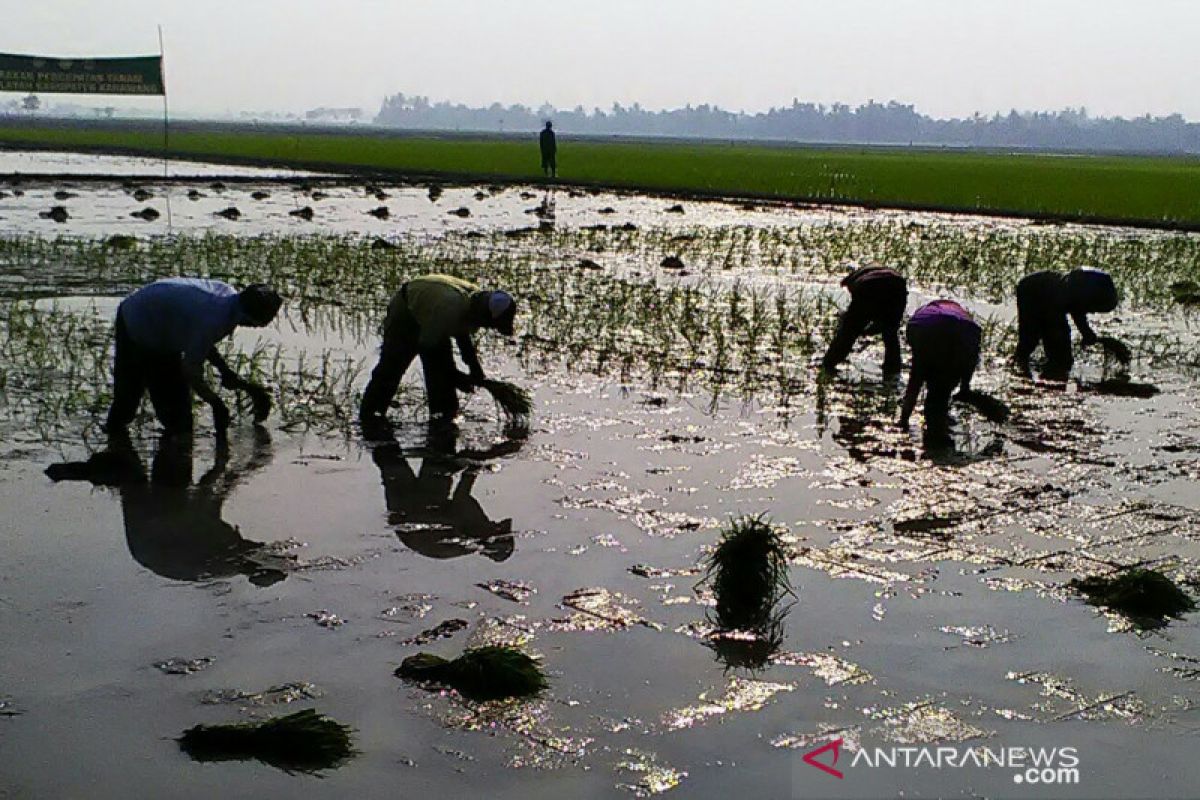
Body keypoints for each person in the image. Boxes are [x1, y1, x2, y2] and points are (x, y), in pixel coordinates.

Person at [104, 278, 282, 436]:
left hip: (161, 318)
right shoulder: (215, 317)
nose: (258, 328)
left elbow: (200, 340)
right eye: (260, 323)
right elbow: (191, 369)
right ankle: (113, 455)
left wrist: (225, 371)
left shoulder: (229, 300)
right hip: (140, 320)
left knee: (174, 415)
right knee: (150, 409)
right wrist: (215, 403)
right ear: (252, 317)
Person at [359, 274, 517, 423]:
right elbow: (427, 346)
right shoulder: (450, 308)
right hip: (406, 313)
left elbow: (462, 333)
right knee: (392, 369)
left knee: (443, 388)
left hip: (433, 315)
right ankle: (370, 417)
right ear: (486, 315)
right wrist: (457, 377)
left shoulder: (474, 301)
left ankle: (442, 419)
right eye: (491, 324)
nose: (488, 327)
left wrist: (475, 368)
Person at [899, 299, 1005, 448]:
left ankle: (936, 435)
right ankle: (939, 432)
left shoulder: (920, 321)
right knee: (942, 391)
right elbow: (971, 358)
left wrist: (904, 420)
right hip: (965, 333)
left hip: (930, 330)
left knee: (936, 394)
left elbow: (915, 380)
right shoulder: (964, 321)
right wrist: (965, 387)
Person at [1014, 267, 1128, 380]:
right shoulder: (1085, 290)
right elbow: (1076, 311)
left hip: (1050, 293)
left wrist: (1087, 333)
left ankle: (1041, 372)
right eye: (1094, 309)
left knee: (1060, 353)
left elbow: (1077, 310)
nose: (1092, 312)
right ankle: (1020, 367)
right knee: (1036, 339)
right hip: (1033, 291)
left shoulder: (1096, 286)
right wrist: (1086, 333)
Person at [821, 265, 908, 374]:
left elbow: (856, 316)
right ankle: (892, 371)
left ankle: (828, 364)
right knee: (890, 334)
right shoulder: (870, 270)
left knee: (847, 335)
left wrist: (854, 327)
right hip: (898, 287)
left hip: (869, 286)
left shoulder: (855, 282)